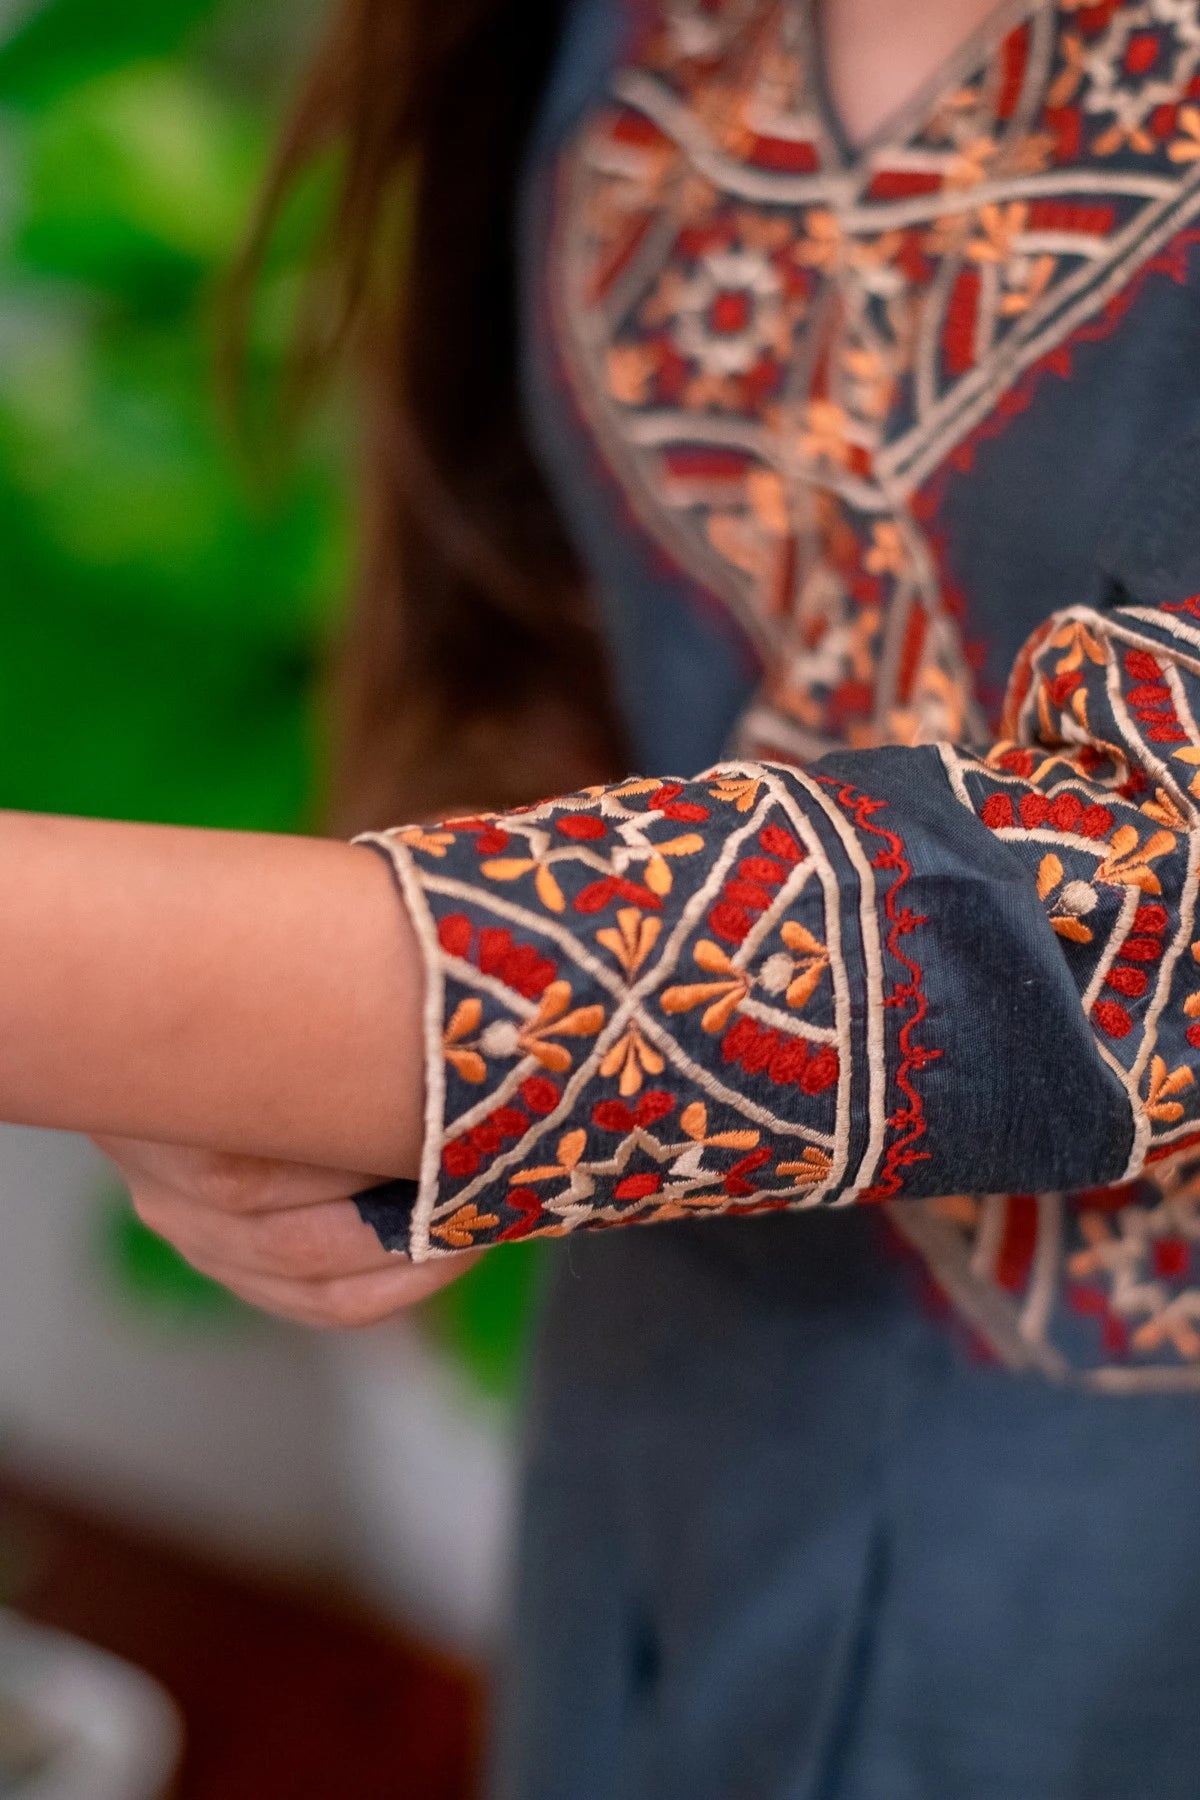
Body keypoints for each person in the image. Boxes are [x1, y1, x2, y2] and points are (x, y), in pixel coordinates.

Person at [8, 0, 1200, 1791]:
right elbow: (583, 637)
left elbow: (1127, 913)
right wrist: (324, 1055)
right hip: (679, 1458)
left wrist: (210, 988)